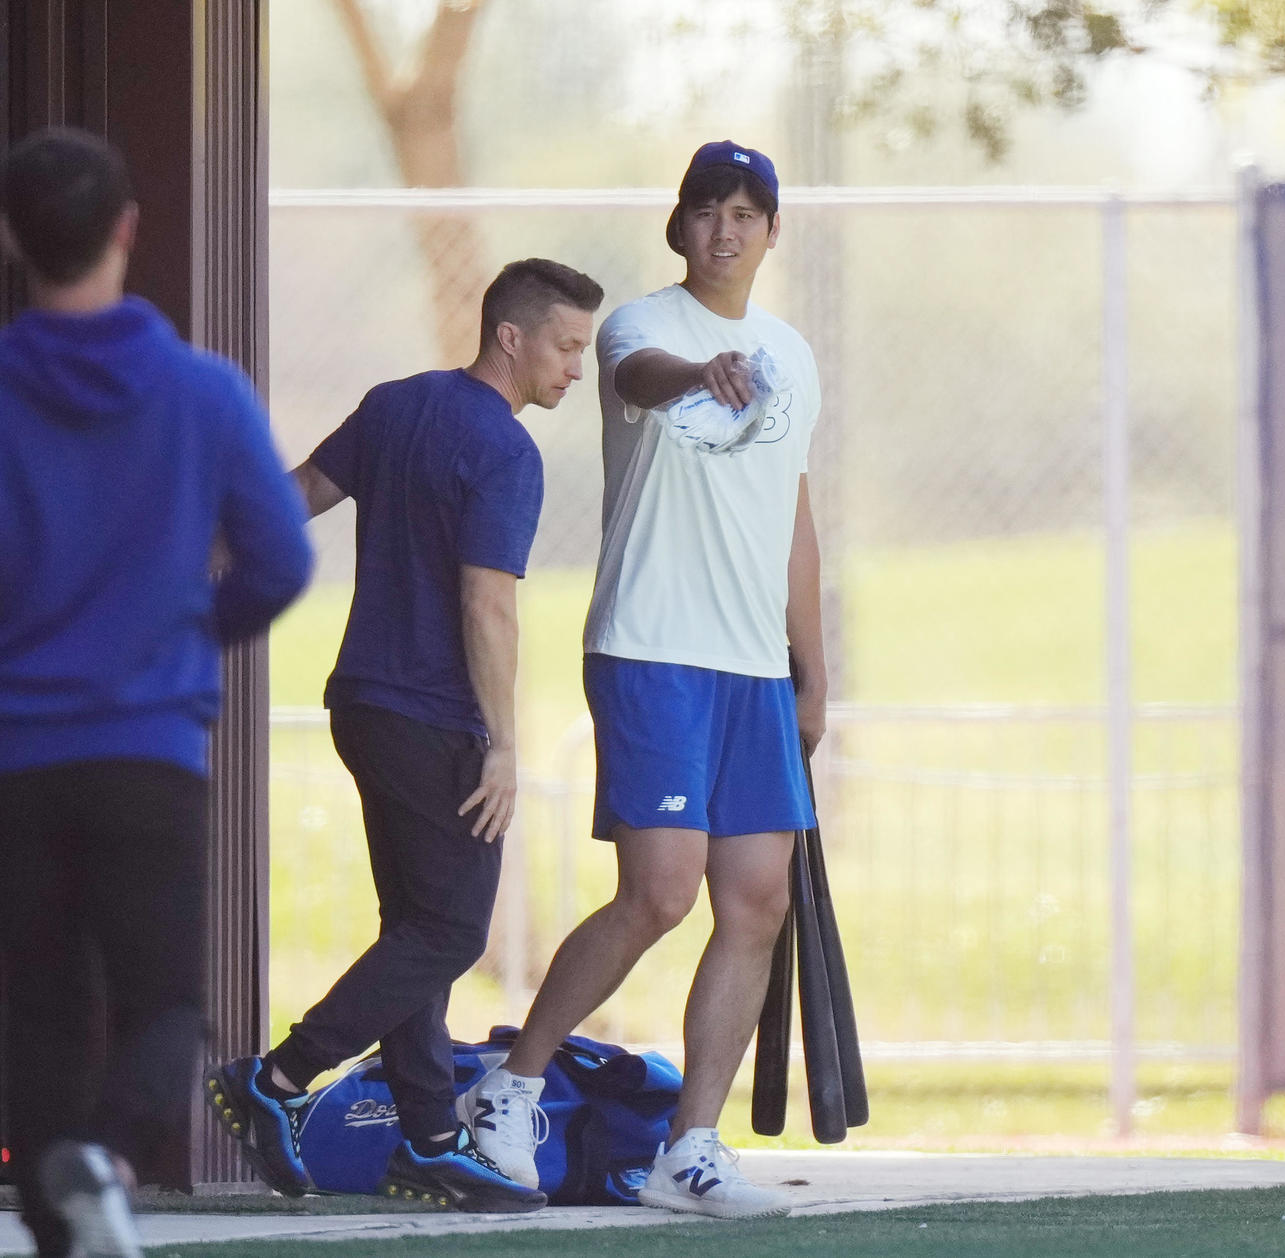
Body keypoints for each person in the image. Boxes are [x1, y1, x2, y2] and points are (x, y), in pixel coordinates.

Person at [458, 141, 826, 1220]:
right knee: (660, 891)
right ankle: (510, 1086)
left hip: (753, 668)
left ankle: (690, 1150)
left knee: (755, 901)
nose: (726, 229)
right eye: (707, 210)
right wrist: (698, 375)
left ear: (770, 231)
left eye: (747, 213)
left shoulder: (793, 355)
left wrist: (814, 671)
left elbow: (794, 522)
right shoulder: (642, 329)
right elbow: (636, 380)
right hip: (651, 647)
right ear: (680, 227)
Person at [205, 258, 604, 1213]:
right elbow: (488, 606)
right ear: (511, 338)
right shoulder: (506, 453)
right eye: (567, 346)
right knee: (450, 929)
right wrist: (505, 745)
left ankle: (427, 1139)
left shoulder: (395, 405)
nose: (577, 369)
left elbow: (296, 490)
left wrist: (200, 558)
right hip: (438, 723)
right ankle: (279, 1077)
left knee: (415, 927)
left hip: (363, 709)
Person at [0, 127, 313, 1258]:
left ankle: (56, 1206)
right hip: (148, 753)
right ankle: (112, 1156)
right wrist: (184, 640)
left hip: (15, 759)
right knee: (163, 999)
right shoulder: (204, 393)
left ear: (10, 239)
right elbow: (281, 561)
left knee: (32, 1006)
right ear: (129, 229)